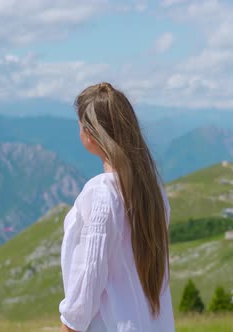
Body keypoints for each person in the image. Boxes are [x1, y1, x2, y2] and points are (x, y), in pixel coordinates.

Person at [59, 82, 175, 332]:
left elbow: (88, 279)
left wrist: (68, 327)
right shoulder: (152, 189)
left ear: (90, 134)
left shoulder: (101, 194)